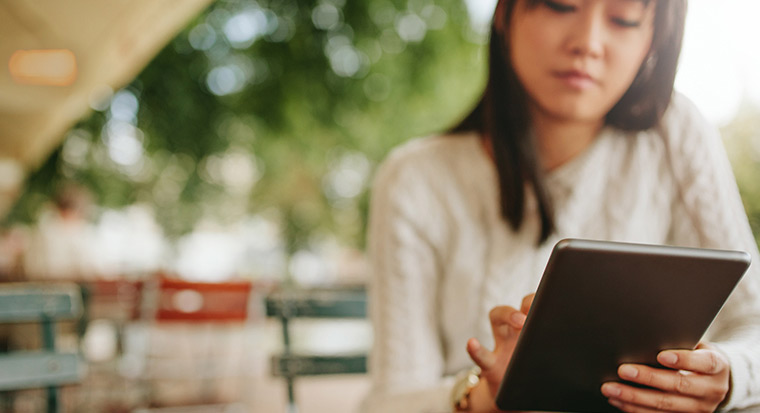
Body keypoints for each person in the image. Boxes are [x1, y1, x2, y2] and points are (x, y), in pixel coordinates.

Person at [361, 0, 760, 412]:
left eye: (623, 19)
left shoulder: (675, 135)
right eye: (560, 5)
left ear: (654, 38)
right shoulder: (414, 179)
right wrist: (480, 397)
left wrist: (728, 375)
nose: (587, 43)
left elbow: (755, 319)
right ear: (504, 15)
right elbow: (391, 401)